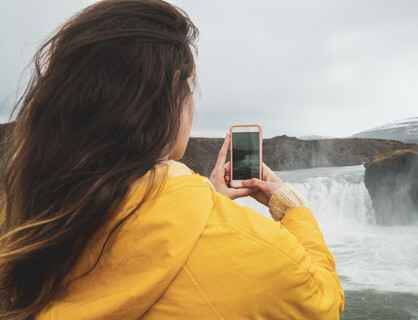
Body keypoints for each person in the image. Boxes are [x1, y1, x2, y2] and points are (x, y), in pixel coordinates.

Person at [0, 0, 344, 319]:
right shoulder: (249, 248)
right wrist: (291, 206)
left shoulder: (22, 220)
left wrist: (202, 203)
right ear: (174, 87)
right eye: (190, 90)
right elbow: (323, 301)